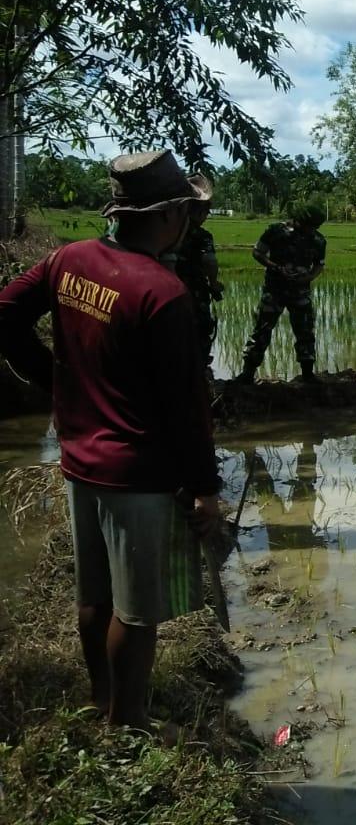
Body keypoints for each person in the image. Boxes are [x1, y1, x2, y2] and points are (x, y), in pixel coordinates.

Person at [0, 149, 222, 732]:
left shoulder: (68, 261)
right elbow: (186, 407)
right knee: (138, 612)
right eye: (187, 212)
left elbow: (5, 314)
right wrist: (204, 489)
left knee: (94, 594)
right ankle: (128, 724)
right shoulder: (162, 292)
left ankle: (101, 699)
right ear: (168, 214)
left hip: (78, 460)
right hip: (138, 475)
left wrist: (53, 379)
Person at [235, 201, 326, 384]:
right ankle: (247, 373)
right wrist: (275, 267)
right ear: (298, 220)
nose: (311, 230)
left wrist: (307, 278)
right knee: (262, 330)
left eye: (314, 227)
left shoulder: (318, 240)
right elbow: (257, 252)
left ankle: (307, 374)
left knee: (305, 332)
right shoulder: (275, 231)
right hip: (274, 290)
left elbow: (319, 265)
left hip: (300, 292)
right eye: (308, 226)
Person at [168, 189, 222, 373]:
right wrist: (214, 283)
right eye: (206, 213)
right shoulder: (202, 236)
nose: (206, 217)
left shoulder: (166, 232)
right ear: (198, 212)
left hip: (166, 290)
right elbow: (210, 261)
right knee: (201, 329)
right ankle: (198, 371)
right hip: (194, 289)